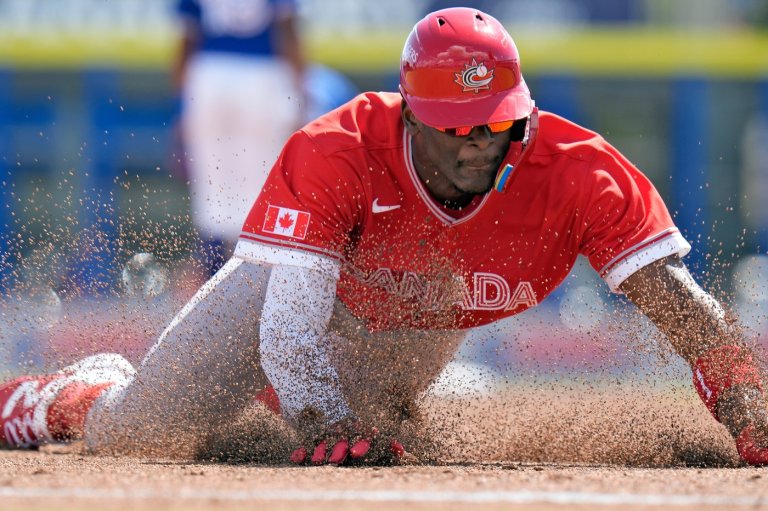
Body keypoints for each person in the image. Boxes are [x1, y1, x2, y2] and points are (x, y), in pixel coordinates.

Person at [2, 7, 768, 466]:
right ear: (409, 117)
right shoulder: (339, 147)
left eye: (498, 124)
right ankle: (76, 394)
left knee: (365, 438)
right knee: (142, 435)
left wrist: (743, 399)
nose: (480, 145)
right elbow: (290, 333)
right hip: (291, 297)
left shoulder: (577, 173)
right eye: (456, 129)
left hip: (407, 322)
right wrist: (320, 419)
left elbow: (677, 301)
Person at [173, 0, 307, 276]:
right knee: (263, 184)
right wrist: (300, 90)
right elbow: (287, 28)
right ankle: (260, 279)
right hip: (263, 73)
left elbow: (187, 38)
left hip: (208, 73)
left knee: (212, 189)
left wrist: (183, 103)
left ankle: (212, 278)